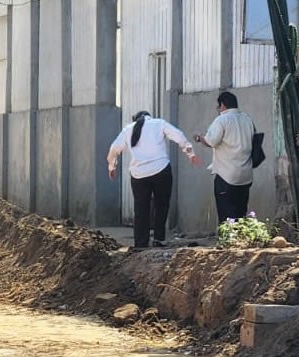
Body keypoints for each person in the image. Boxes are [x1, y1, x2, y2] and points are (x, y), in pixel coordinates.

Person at [108, 111, 201, 249]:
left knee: (141, 209)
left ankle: (140, 243)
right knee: (161, 205)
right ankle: (158, 239)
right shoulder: (159, 123)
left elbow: (114, 148)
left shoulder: (128, 129)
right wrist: (190, 154)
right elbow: (179, 136)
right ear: (148, 116)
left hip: (138, 174)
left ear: (135, 119)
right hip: (161, 170)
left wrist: (112, 165)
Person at [194, 90, 256, 223]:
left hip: (226, 176)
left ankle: (228, 240)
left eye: (218, 106)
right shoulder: (247, 119)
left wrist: (200, 138)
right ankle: (241, 239)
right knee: (241, 212)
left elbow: (211, 141)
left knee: (226, 214)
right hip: (245, 175)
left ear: (222, 105)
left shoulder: (222, 120)